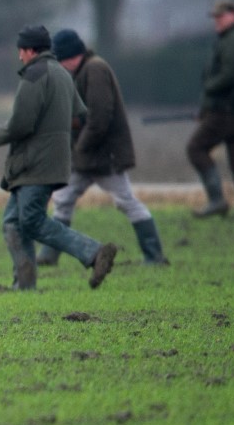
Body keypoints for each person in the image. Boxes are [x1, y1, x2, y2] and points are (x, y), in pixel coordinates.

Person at [0, 25, 118, 291]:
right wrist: (53, 130)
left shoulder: (34, 75)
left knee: (32, 221)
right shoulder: (62, 73)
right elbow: (79, 116)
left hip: (35, 164)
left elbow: (20, 125)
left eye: (21, 51)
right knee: (13, 223)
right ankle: (25, 286)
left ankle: (94, 252)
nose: (19, 57)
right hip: (50, 162)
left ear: (30, 50)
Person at [36, 28, 169, 267]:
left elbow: (99, 119)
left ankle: (154, 255)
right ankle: (49, 255)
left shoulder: (95, 69)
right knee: (63, 199)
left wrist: (79, 148)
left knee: (126, 201)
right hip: (85, 155)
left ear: (71, 55)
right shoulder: (78, 72)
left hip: (105, 155)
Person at [187, 0, 234, 220]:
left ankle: (217, 199)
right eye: (215, 17)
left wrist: (208, 89)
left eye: (220, 16)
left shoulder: (233, 41)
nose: (217, 21)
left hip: (227, 111)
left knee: (196, 149)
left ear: (233, 15)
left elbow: (230, 75)